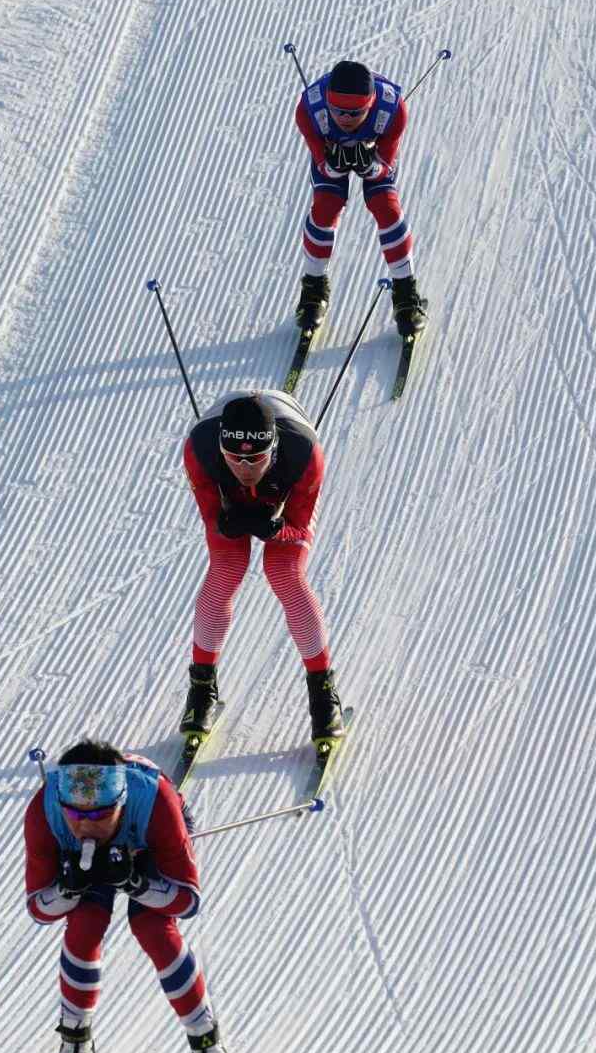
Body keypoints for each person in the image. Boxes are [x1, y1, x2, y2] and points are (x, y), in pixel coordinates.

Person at [24, 738, 235, 1053]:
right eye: (74, 813)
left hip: (145, 841)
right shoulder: (44, 810)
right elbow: (39, 910)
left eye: (100, 815)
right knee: (84, 923)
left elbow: (187, 901)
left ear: (121, 803)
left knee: (153, 928)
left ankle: (207, 1045)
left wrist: (136, 882)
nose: (85, 825)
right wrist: (68, 888)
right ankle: (74, 1043)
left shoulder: (156, 801)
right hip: (104, 845)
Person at [179, 389, 345, 749]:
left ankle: (323, 696)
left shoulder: (305, 455)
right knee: (227, 567)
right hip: (231, 493)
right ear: (221, 449)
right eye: (234, 459)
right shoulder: (199, 450)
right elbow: (212, 517)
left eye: (255, 459)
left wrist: (277, 528)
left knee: (284, 572)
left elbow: (298, 528)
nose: (245, 469)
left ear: (274, 448)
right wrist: (224, 522)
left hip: (286, 493)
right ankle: (201, 691)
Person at [293, 58, 428, 338]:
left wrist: (369, 165)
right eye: (338, 111)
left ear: (371, 104)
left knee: (386, 208)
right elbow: (321, 162)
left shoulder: (393, 109)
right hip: (331, 152)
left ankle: (406, 294)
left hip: (375, 153)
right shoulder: (309, 109)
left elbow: (385, 164)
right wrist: (333, 164)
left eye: (355, 113)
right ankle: (313, 288)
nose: (345, 119)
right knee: (325, 208)